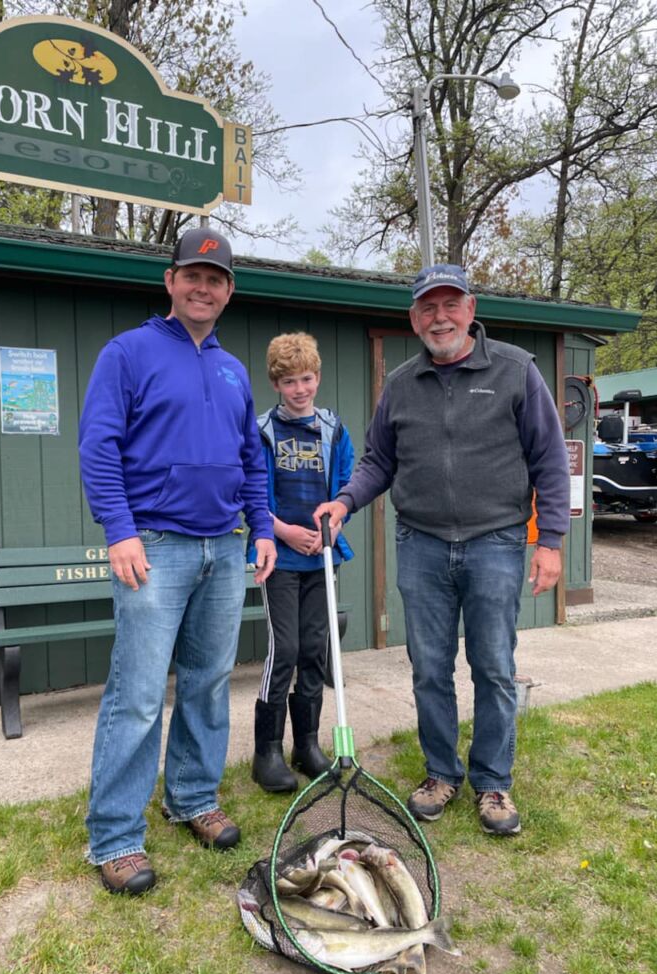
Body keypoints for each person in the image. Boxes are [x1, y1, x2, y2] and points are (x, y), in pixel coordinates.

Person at [315, 264, 569, 837]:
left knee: (494, 667)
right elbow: (380, 459)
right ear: (413, 318)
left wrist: (548, 541)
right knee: (429, 667)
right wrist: (345, 501)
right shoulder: (402, 384)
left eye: (450, 304)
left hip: (497, 542)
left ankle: (492, 781)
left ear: (470, 310)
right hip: (422, 543)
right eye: (428, 308)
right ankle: (440, 773)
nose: (440, 317)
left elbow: (550, 461)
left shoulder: (515, 372)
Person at [78, 226, 276, 895]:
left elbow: (253, 458)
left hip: (223, 548)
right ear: (170, 281)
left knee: (208, 680)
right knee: (136, 694)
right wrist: (120, 530)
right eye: (192, 275)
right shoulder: (128, 353)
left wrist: (264, 528)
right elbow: (99, 446)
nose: (203, 287)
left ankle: (192, 798)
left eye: (216, 279)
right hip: (153, 547)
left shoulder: (232, 369)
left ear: (229, 292)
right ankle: (114, 836)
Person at [249, 333, 354, 792]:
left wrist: (334, 525)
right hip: (281, 556)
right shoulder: (263, 431)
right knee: (286, 649)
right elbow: (249, 491)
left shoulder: (333, 429)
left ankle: (306, 745)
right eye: (289, 381)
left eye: (306, 379)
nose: (299, 389)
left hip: (322, 555)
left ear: (318, 378)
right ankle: (266, 750)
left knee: (316, 649)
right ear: (276, 383)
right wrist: (283, 531)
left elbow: (349, 484)